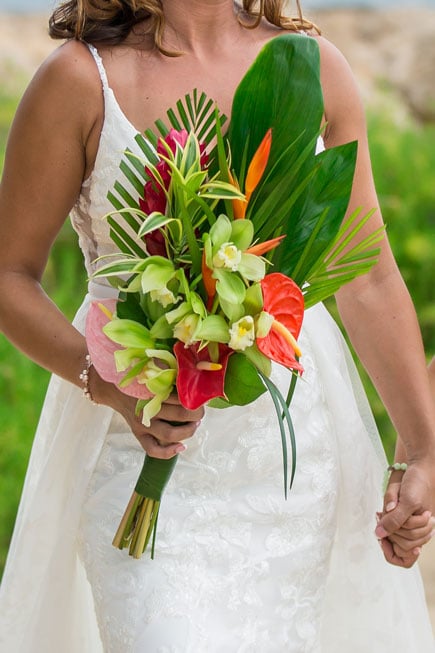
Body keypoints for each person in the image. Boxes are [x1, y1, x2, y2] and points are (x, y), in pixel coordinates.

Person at [0, 1, 434, 651]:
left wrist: (420, 448)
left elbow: (364, 276)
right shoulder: (79, 80)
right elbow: (10, 276)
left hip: (290, 469)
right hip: (134, 449)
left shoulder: (313, 68)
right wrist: (112, 388)